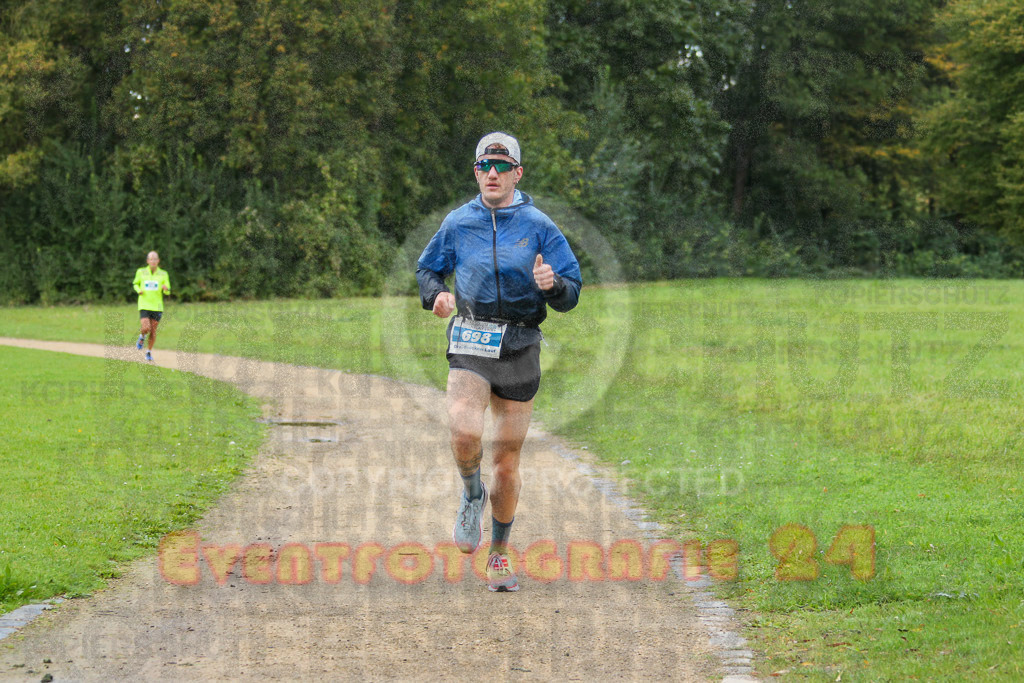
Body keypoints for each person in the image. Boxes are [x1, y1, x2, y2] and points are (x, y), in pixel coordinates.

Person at [416, 132, 582, 592]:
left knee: (506, 463)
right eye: (484, 165)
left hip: (521, 342)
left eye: (501, 166)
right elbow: (427, 268)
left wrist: (552, 286)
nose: (492, 173)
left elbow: (572, 290)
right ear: (476, 172)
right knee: (464, 428)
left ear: (517, 174)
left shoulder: (539, 225)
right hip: (471, 334)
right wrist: (437, 294)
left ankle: (500, 554)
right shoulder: (457, 223)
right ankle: (472, 494)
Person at [133, 251, 171, 363]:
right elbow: (135, 283)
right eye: (151, 259)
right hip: (144, 304)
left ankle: (148, 352)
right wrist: (138, 290)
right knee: (146, 327)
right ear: (147, 261)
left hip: (157, 306)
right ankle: (142, 336)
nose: (153, 261)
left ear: (158, 261)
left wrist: (166, 289)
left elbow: (168, 291)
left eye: (155, 259)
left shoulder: (163, 274)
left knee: (153, 331)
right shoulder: (141, 272)